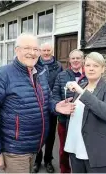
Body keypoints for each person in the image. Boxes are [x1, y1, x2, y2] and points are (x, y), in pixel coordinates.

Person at [0, 33, 75, 173]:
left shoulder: (40, 73)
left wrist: (55, 106)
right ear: (17, 50)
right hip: (15, 150)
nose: (32, 53)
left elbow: (47, 99)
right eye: (27, 48)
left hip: (34, 146)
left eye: (36, 49)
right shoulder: (3, 74)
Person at [64, 52, 106, 173]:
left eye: (95, 65)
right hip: (75, 147)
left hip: (98, 152)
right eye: (88, 65)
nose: (91, 68)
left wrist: (82, 93)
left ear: (103, 69)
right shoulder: (82, 85)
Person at [52, 49, 87, 173]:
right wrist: (60, 104)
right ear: (69, 60)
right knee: (64, 150)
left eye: (78, 58)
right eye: (73, 58)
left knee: (83, 149)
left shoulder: (89, 75)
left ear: (83, 59)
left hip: (85, 122)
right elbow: (55, 95)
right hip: (65, 120)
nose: (76, 60)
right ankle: (65, 170)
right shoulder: (62, 75)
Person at [33, 43, 63, 173]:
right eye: (43, 50)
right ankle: (37, 161)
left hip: (52, 105)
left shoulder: (59, 66)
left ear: (52, 51)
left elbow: (60, 83)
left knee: (50, 135)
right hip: (37, 105)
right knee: (38, 134)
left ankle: (48, 160)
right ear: (40, 51)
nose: (46, 52)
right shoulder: (34, 64)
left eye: (48, 50)